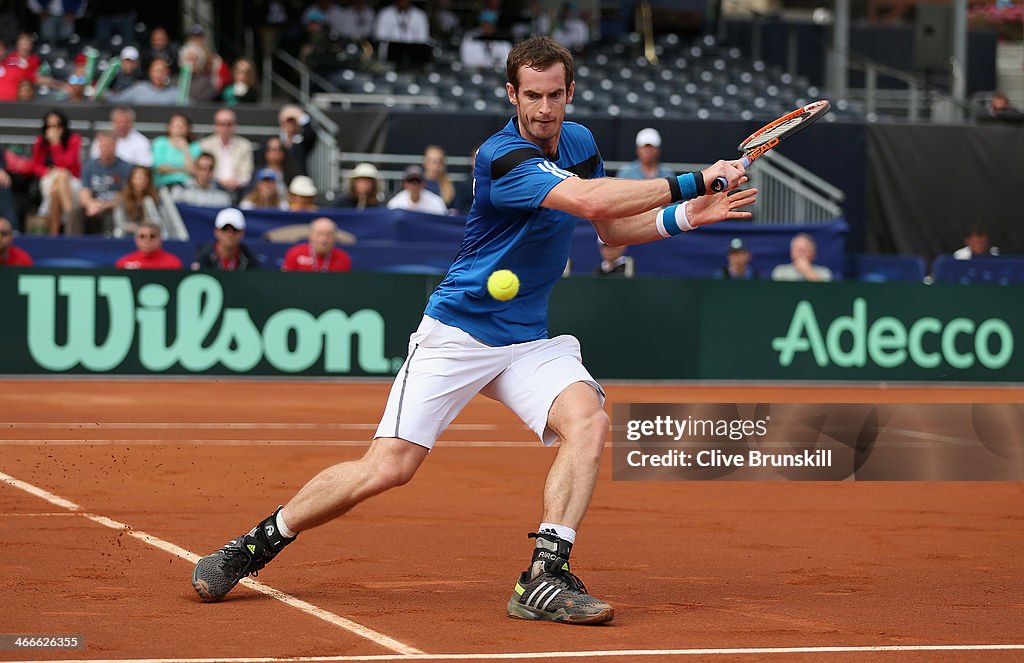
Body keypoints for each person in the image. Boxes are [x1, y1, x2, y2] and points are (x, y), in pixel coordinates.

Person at [192, 36, 753, 624]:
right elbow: (588, 201)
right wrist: (696, 181)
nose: (543, 108)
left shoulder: (580, 142)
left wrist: (687, 216)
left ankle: (544, 576)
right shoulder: (500, 157)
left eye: (555, 95)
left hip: (526, 340)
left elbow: (612, 229)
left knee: (587, 419)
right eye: (531, 96)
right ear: (512, 94)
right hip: (457, 332)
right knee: (389, 468)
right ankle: (255, 543)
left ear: (570, 93)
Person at [30, 109, 83, 236]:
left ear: (63, 126)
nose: (53, 129)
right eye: (50, 126)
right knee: (57, 180)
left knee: (62, 175)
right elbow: (34, 165)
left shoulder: (74, 139)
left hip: (72, 182)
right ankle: (70, 217)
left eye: (57, 125)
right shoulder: (40, 141)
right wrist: (46, 171)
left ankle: (53, 233)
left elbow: (67, 164)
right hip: (49, 179)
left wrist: (56, 143)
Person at [79, 132, 133, 235]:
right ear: (99, 146)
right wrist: (90, 204)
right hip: (95, 204)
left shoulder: (126, 167)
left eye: (109, 146)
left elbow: (126, 193)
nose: (106, 149)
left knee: (120, 207)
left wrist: (105, 206)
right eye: (103, 145)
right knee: (77, 210)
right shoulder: (88, 166)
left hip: (116, 204)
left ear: (115, 146)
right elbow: (84, 191)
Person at [199, 108, 254, 196]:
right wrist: (220, 181)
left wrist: (237, 182)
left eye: (229, 124)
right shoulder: (206, 145)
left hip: (238, 188)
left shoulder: (245, 145)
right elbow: (205, 170)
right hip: (213, 186)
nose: (226, 127)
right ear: (215, 126)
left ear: (235, 126)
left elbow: (246, 172)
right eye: (222, 124)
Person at [192, 208, 261, 271]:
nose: (229, 234)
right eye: (224, 229)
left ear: (242, 233)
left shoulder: (250, 259)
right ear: (216, 231)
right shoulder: (203, 256)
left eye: (235, 229)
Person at [281, 217, 352, 272]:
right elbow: (285, 281)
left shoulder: (342, 258)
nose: (324, 240)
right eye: (319, 234)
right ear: (310, 236)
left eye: (329, 235)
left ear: (335, 238)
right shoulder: (295, 253)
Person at [112, 165, 164, 237]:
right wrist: (134, 228)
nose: (141, 181)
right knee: (118, 231)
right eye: (137, 178)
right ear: (131, 179)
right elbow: (119, 222)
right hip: (128, 232)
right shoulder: (122, 198)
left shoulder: (153, 198)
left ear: (149, 180)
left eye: (144, 178)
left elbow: (157, 221)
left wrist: (144, 228)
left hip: (148, 233)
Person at [152, 113, 201, 190]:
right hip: (164, 185)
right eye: (176, 125)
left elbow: (193, 170)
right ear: (169, 127)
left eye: (182, 126)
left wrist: (185, 149)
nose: (179, 129)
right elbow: (160, 168)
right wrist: (183, 169)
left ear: (188, 128)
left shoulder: (195, 146)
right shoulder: (160, 142)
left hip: (188, 186)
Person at [110, 57, 179, 106]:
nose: (158, 74)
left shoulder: (174, 93)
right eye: (155, 71)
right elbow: (118, 100)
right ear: (150, 73)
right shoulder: (139, 88)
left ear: (167, 73)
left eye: (161, 71)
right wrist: (104, 93)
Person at [115, 222, 183, 270]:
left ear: (160, 239)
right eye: (142, 236)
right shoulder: (124, 263)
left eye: (152, 236)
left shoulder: (173, 263)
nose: (147, 240)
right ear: (136, 239)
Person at [278, 104, 317, 178]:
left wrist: (300, 116)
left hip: (299, 180)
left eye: (294, 122)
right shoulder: (276, 140)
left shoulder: (302, 142)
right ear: (282, 123)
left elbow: (311, 134)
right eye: (288, 121)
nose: (290, 125)